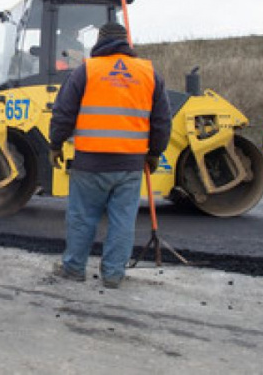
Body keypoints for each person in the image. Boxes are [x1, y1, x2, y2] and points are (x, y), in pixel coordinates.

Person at [48, 22, 172, 288]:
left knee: (82, 217)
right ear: (127, 43)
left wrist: (55, 145)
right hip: (129, 165)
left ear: (99, 43)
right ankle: (114, 275)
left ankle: (73, 269)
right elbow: (162, 121)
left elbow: (63, 113)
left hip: (90, 163)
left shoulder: (87, 71)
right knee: (122, 221)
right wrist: (154, 153)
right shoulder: (149, 73)